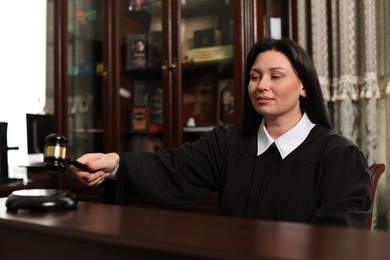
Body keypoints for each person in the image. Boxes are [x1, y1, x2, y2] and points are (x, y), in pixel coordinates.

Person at [72, 38, 371, 228]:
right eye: (255, 77)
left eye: (275, 76)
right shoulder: (228, 144)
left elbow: (337, 240)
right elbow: (171, 167)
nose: (261, 85)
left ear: (304, 86)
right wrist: (115, 163)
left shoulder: (339, 156)